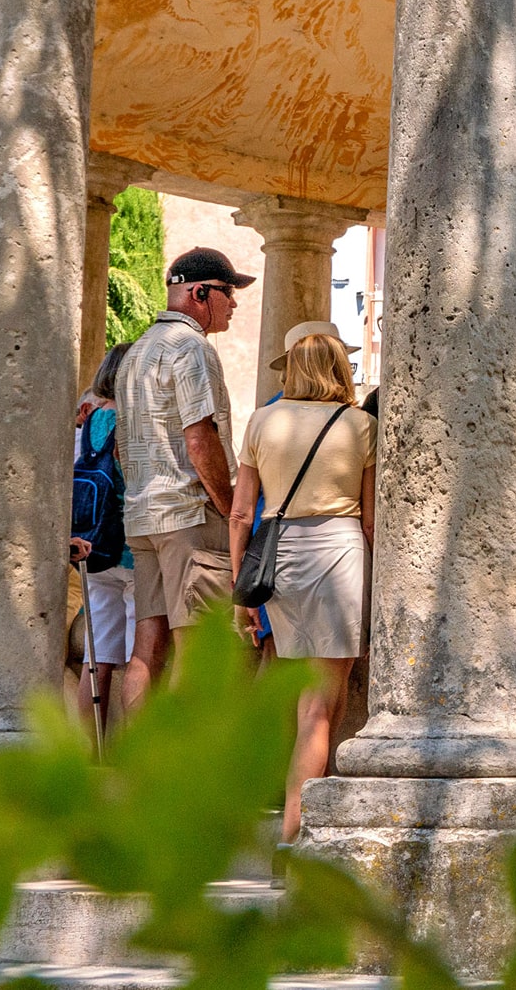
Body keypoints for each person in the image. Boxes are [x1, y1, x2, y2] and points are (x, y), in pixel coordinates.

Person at [231, 321, 375, 843]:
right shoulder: (359, 425)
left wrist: (241, 588)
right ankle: (294, 837)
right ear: (339, 367)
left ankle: (309, 823)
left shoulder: (261, 422)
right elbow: (370, 519)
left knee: (313, 702)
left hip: (280, 552)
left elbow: (240, 513)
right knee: (321, 703)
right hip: (337, 550)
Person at [115, 247, 250, 703]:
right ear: (200, 292)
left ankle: (136, 770)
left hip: (142, 517)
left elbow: (119, 442)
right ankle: (180, 772)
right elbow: (200, 439)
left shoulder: (135, 352)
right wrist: (231, 511)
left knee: (145, 652)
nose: (234, 303)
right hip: (189, 516)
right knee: (198, 654)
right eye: (229, 293)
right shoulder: (192, 347)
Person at [74, 343, 138, 728]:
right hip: (130, 548)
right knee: (138, 657)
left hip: (94, 550)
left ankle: (87, 755)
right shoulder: (132, 422)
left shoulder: (90, 423)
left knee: (94, 662)